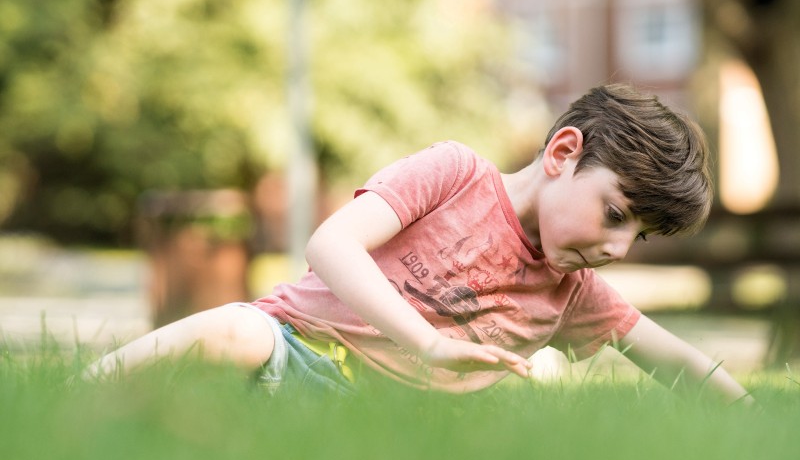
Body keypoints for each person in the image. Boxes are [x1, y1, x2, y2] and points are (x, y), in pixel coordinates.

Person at [85, 84, 751, 403]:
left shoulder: (571, 292)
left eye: (638, 235)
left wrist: (754, 420)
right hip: (295, 353)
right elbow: (331, 245)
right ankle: (80, 397)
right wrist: (427, 342)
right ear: (563, 152)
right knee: (238, 330)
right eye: (615, 214)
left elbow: (676, 359)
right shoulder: (455, 173)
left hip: (380, 422)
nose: (619, 249)